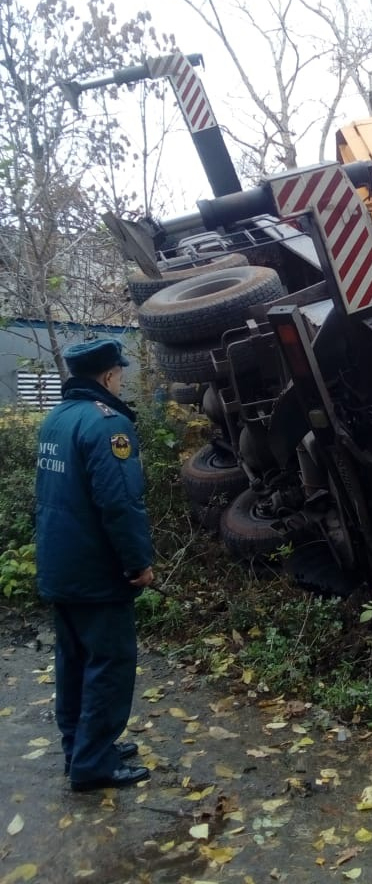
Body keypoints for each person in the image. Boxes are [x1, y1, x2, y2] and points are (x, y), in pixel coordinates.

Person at [35, 339, 155, 791]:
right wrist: (138, 562)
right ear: (107, 376)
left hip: (60, 565)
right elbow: (120, 504)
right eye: (119, 373)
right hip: (96, 571)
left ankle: (81, 747)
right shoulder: (109, 426)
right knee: (110, 662)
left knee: (73, 661)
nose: (122, 379)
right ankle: (93, 764)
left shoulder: (57, 419)